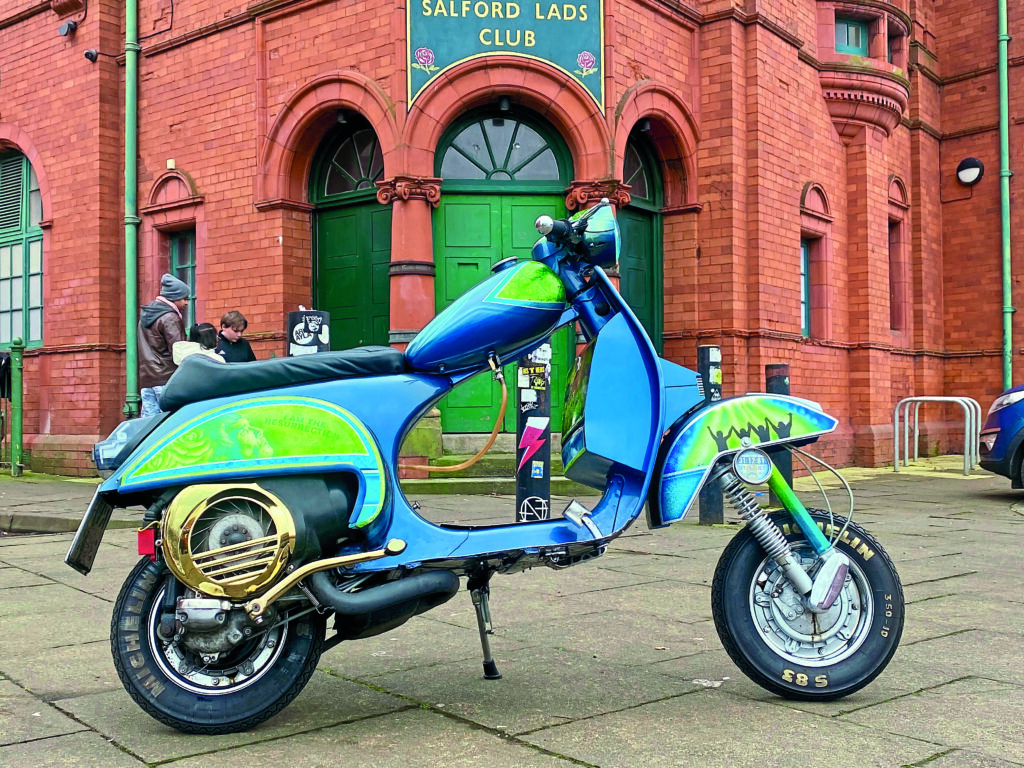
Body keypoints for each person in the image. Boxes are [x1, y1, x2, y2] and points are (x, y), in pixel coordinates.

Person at [138, 273, 190, 417]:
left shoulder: (145, 317)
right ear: (174, 298)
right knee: (171, 423)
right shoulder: (170, 318)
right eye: (184, 298)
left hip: (146, 379)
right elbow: (179, 352)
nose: (186, 303)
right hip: (167, 379)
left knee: (148, 427)